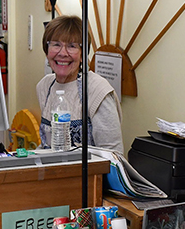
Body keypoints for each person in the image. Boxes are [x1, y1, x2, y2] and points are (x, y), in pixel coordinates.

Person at [36, 15, 124, 154]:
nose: (63, 53)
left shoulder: (97, 90)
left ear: (83, 54)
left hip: (90, 174)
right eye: (56, 44)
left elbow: (113, 155)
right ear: (46, 51)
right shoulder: (44, 86)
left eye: (72, 46)